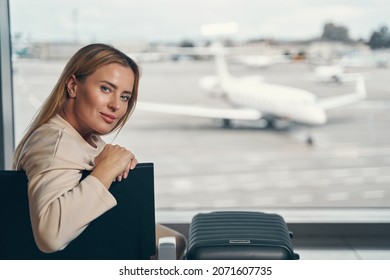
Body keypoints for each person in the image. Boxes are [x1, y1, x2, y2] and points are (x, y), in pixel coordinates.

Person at [12, 43, 186, 259]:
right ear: (73, 86)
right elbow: (50, 235)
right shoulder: (55, 141)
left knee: (176, 241)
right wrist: (109, 167)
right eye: (106, 89)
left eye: (124, 97)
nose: (116, 105)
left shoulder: (86, 139)